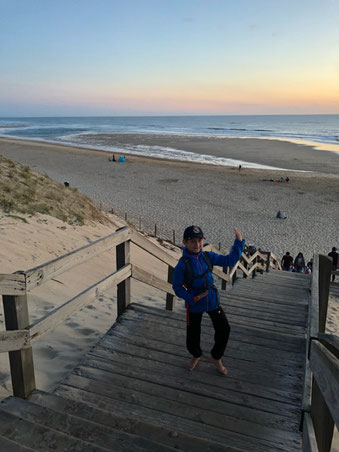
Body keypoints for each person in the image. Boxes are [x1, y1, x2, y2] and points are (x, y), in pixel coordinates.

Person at [173, 225, 245, 376]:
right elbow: (177, 287)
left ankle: (216, 357)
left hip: (211, 299)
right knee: (193, 334)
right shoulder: (182, 264)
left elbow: (230, 260)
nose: (197, 245)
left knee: (224, 328)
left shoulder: (207, 256)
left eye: (200, 240)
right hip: (194, 302)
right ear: (185, 242)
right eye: (192, 241)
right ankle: (196, 355)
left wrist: (239, 242)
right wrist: (191, 297)